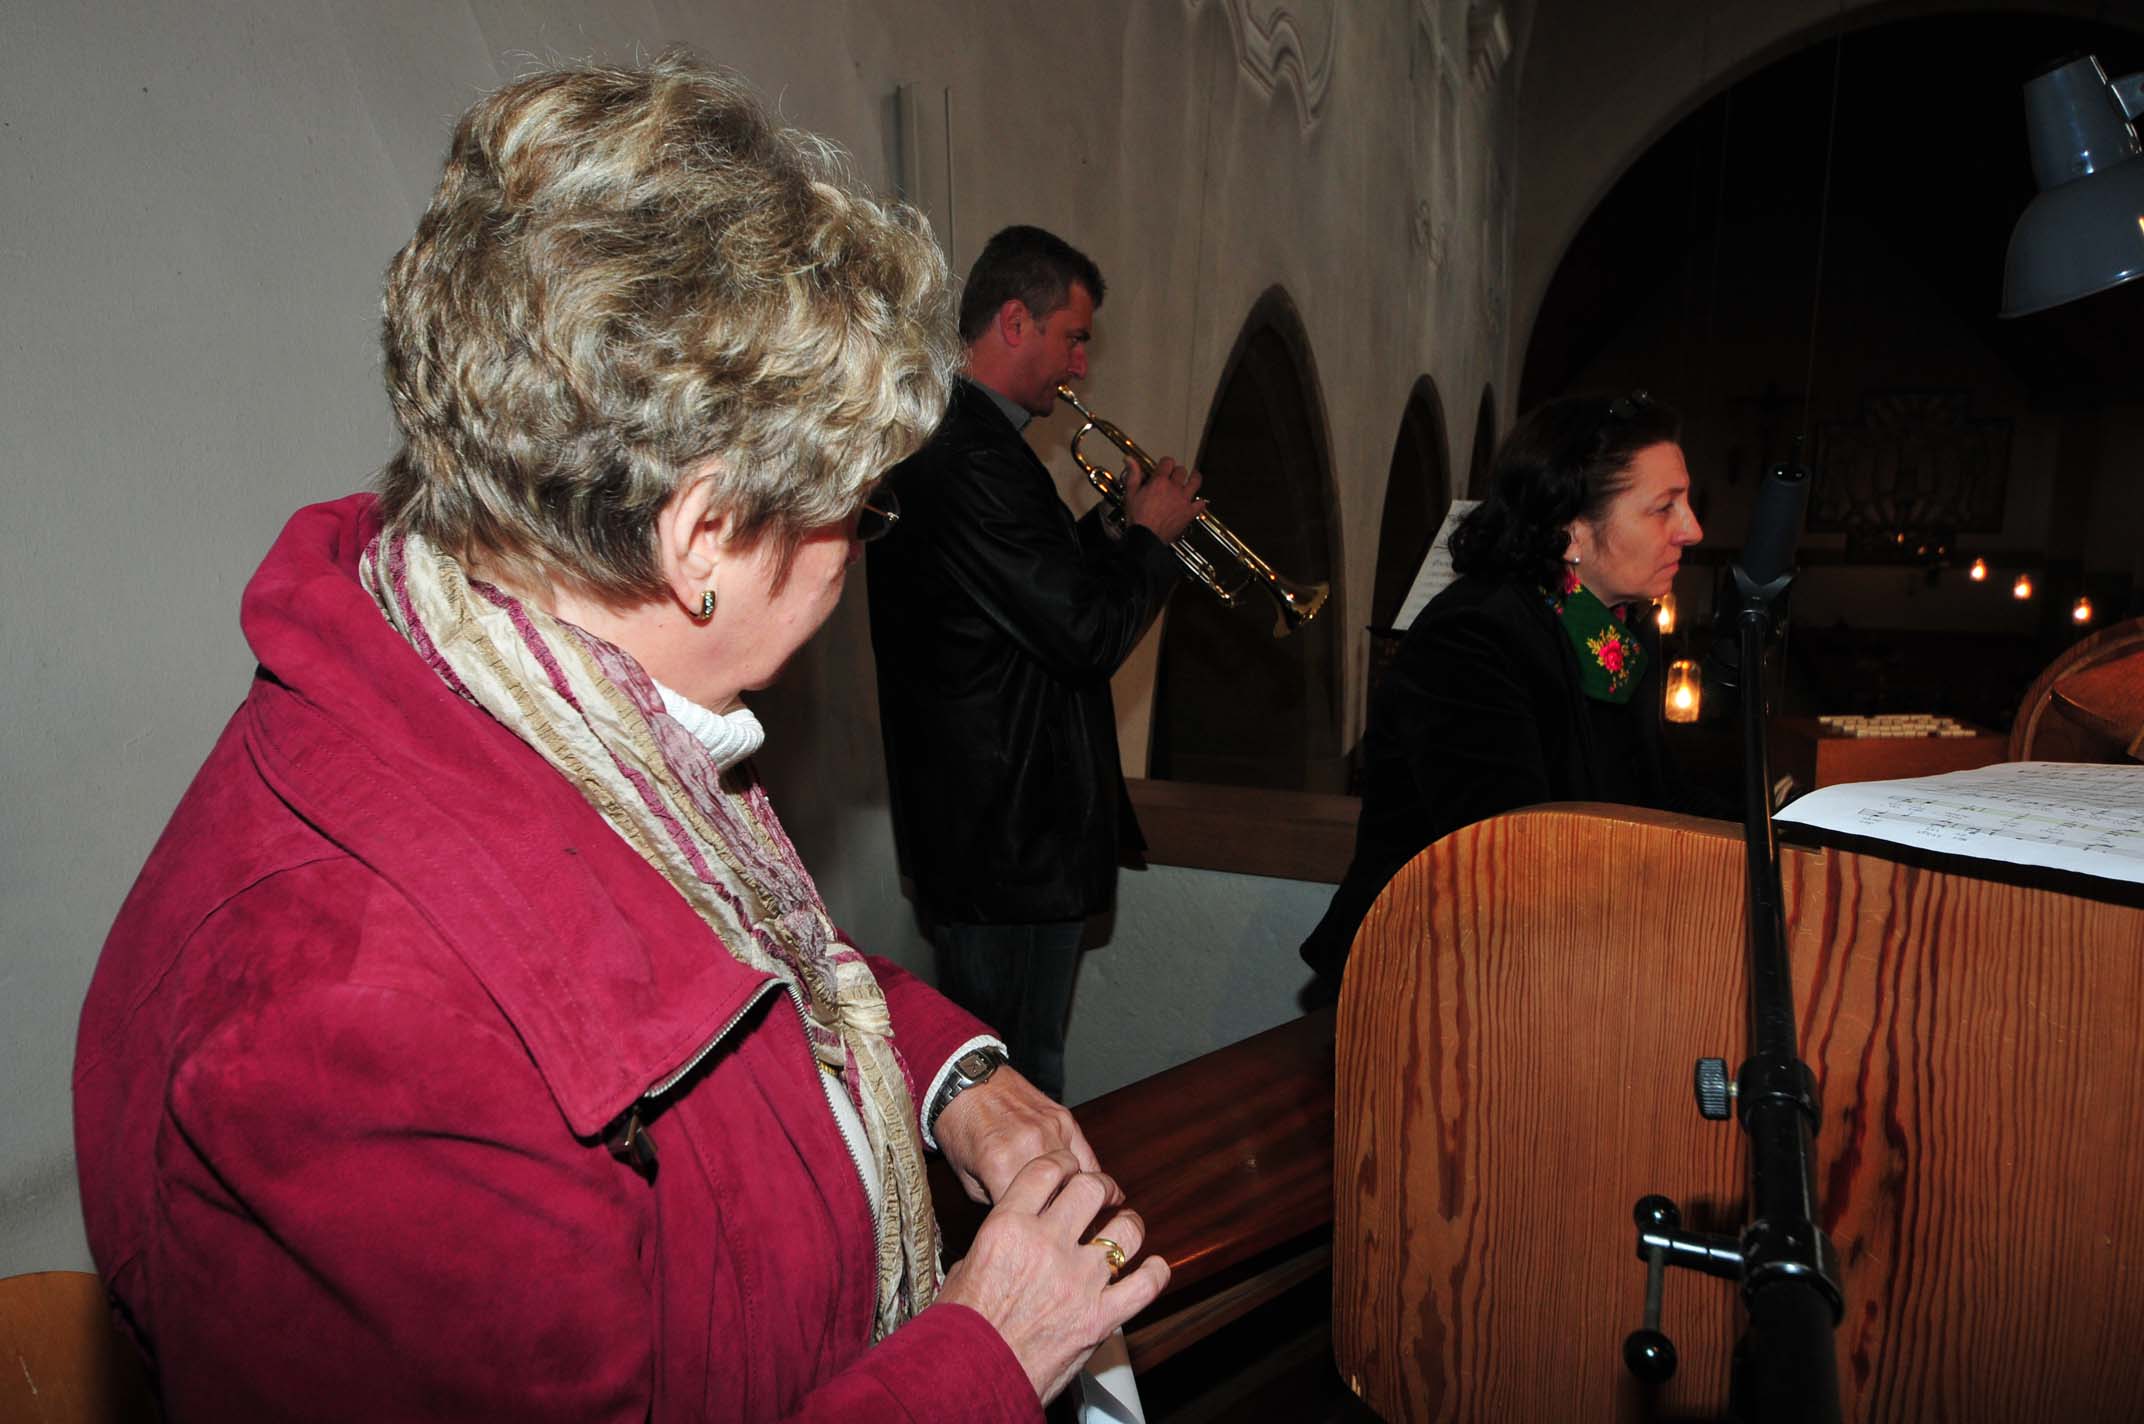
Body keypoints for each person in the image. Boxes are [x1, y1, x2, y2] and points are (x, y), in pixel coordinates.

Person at [72, 54, 1166, 1423]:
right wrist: (988, 1348)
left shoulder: (537, 687)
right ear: (701, 538)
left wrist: (956, 1081)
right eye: (856, 513)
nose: (852, 559)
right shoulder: (358, 1027)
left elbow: (738, 977)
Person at [866, 226, 1204, 1101]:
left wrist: (1117, 527)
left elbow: (1032, 595)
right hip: (1007, 844)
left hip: (1008, 836)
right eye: (1073, 337)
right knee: (1017, 1087)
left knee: (1019, 1077)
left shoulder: (981, 447)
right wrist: (1157, 544)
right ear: (1015, 320)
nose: (1081, 367)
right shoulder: (968, 455)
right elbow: (1083, 635)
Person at [1300, 391, 1705, 985]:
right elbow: (1509, 852)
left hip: (1562, 959)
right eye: (1664, 508)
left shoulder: (1614, 635)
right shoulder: (1472, 636)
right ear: (1571, 530)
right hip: (1435, 975)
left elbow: (1661, 798)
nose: (1692, 530)